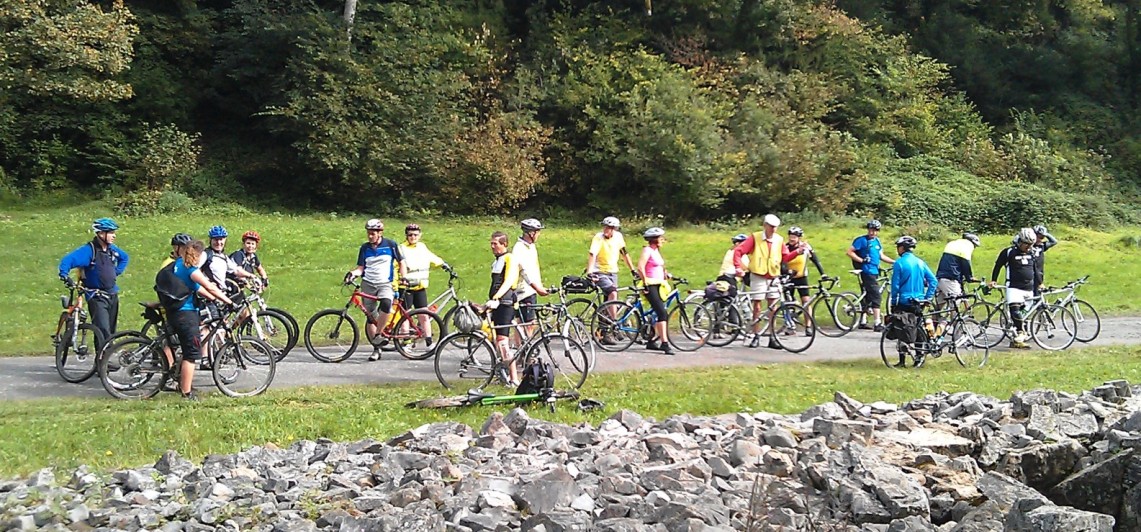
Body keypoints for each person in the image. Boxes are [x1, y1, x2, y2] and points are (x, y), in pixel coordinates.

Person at [165, 240, 234, 400]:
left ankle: (180, 381)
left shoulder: (180, 265)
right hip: (185, 314)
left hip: (176, 312)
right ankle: (186, 393)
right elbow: (209, 286)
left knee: (184, 346)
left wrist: (214, 299)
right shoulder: (191, 270)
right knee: (191, 354)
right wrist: (229, 302)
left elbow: (200, 289)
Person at [733, 214, 802, 349]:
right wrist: (738, 267)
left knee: (773, 307)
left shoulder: (779, 240)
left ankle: (772, 337)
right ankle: (756, 335)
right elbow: (738, 251)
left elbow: (785, 257)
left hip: (773, 275)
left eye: (775, 227)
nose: (773, 230)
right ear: (765, 225)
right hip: (758, 274)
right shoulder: (755, 237)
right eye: (771, 227)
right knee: (757, 306)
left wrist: (797, 252)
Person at [58, 218, 130, 343]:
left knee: (111, 331)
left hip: (112, 293)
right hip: (96, 295)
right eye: (111, 233)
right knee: (103, 329)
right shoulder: (89, 251)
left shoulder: (111, 250)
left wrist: (115, 272)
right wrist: (64, 274)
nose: (114, 236)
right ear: (101, 234)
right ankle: (101, 360)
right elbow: (68, 260)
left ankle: (106, 358)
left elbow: (125, 258)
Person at [345, 219, 407, 361]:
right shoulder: (364, 248)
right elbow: (361, 268)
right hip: (368, 283)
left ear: (380, 233)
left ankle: (379, 335)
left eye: (372, 233)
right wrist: (352, 274)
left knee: (386, 303)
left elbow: (401, 262)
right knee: (370, 316)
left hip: (385, 283)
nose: (370, 236)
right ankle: (376, 349)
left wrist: (404, 277)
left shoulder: (391, 245)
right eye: (368, 233)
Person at [399, 223, 452, 347]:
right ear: (406, 235)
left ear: (420, 235)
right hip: (407, 286)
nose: (413, 237)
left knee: (424, 314)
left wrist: (443, 264)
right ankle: (406, 341)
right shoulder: (401, 248)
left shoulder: (422, 247)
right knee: (406, 314)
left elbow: (431, 257)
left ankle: (429, 341)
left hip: (420, 286)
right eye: (410, 235)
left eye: (415, 235)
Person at [989, 228, 1042, 349]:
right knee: (1015, 310)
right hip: (1013, 287)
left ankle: (1016, 340)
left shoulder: (1031, 253)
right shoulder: (1008, 252)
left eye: (1031, 245)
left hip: (1028, 288)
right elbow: (998, 266)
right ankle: (1020, 332)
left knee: (1023, 315)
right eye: (1026, 244)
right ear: (1020, 241)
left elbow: (1036, 270)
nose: (1028, 247)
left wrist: (1040, 283)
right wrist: (993, 280)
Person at [889, 236, 937, 367]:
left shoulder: (899, 263)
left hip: (904, 300)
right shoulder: (920, 262)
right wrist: (928, 297)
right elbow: (933, 281)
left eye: (898, 246)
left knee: (901, 328)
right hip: (919, 301)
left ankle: (902, 360)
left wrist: (893, 302)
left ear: (902, 248)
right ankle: (919, 357)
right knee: (917, 327)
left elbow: (895, 285)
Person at [846, 219, 895, 332]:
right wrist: (861, 260)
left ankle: (863, 321)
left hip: (874, 271)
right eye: (871, 230)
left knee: (868, 295)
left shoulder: (877, 241)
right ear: (868, 230)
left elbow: (881, 256)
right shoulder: (862, 240)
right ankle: (877, 322)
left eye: (875, 230)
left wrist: (894, 262)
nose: (873, 232)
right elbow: (850, 252)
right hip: (867, 271)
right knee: (876, 296)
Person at [485, 231, 521, 385]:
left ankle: (514, 378)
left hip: (505, 303)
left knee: (503, 341)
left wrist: (497, 298)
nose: (492, 246)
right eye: (491, 243)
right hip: (497, 303)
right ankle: (502, 373)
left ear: (504, 244)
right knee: (494, 338)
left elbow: (508, 281)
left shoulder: (509, 258)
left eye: (495, 243)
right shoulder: (498, 260)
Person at [585, 216, 637, 305]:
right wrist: (590, 272)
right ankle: (614, 319)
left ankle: (604, 318)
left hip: (613, 272)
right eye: (604, 227)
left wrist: (633, 270)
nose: (605, 229)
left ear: (614, 229)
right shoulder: (598, 237)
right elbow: (592, 254)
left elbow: (624, 253)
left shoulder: (618, 236)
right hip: (599, 272)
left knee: (609, 299)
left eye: (608, 228)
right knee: (613, 293)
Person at [638, 227, 673, 355]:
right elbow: (640, 267)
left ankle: (651, 341)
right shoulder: (647, 250)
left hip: (659, 284)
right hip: (650, 285)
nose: (663, 240)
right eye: (661, 238)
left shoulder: (656, 251)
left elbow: (658, 266)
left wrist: (665, 274)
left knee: (656, 312)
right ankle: (665, 344)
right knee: (662, 313)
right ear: (654, 239)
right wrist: (645, 282)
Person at [513, 219, 550, 338]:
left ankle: (523, 351)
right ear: (531, 233)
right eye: (538, 232)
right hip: (524, 291)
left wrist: (539, 285)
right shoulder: (519, 248)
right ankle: (525, 351)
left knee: (524, 323)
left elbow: (534, 269)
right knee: (527, 324)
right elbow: (524, 272)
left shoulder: (531, 247)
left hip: (531, 289)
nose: (539, 234)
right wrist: (537, 288)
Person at [935, 233, 981, 325]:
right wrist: (969, 277)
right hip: (951, 279)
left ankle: (933, 324)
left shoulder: (954, 243)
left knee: (940, 303)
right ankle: (957, 328)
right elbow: (966, 263)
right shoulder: (967, 246)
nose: (974, 248)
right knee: (956, 302)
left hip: (941, 277)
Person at [203, 225, 259, 294]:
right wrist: (206, 283)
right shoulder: (206, 255)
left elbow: (236, 270)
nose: (218, 242)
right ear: (210, 240)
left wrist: (252, 276)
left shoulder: (224, 257)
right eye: (216, 239)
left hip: (221, 293)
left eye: (221, 239)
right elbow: (194, 271)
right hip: (208, 294)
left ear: (225, 240)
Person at [782, 226, 825, 306]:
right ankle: (789, 316)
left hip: (801, 277)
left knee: (806, 301)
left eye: (794, 237)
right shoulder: (785, 247)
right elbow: (782, 262)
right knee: (789, 302)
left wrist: (823, 274)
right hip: (788, 277)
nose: (791, 239)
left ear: (799, 238)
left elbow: (815, 260)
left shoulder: (805, 247)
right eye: (790, 237)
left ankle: (808, 319)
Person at [1033, 224, 1057, 289]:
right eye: (1038, 237)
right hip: (1030, 272)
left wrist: (1046, 234)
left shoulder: (1042, 245)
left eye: (1042, 237)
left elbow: (1054, 242)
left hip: (1040, 272)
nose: (1040, 239)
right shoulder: (1028, 246)